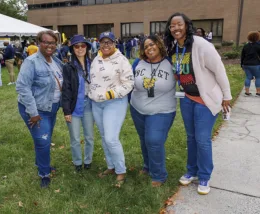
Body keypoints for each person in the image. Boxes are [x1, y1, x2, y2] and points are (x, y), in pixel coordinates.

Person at [164, 12, 232, 195]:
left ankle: (204, 175)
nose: (176, 28)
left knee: (202, 139)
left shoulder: (201, 45)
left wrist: (227, 95)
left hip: (206, 99)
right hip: (187, 98)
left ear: (187, 25)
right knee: (191, 137)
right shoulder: (173, 47)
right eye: (172, 26)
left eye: (179, 24)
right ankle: (191, 171)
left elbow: (219, 70)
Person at [16, 30, 63, 188]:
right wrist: (33, 113)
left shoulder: (56, 60)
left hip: (52, 108)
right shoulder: (31, 61)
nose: (50, 46)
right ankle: (44, 173)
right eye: (46, 42)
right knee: (43, 141)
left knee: (43, 139)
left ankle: (40, 164)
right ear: (38, 43)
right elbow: (22, 87)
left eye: (52, 43)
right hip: (36, 110)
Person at [88, 32, 134, 187]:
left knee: (111, 138)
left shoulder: (122, 60)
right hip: (96, 104)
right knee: (103, 136)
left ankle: (121, 171)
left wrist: (110, 94)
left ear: (115, 43)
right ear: (99, 43)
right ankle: (111, 166)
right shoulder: (96, 58)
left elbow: (128, 84)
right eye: (103, 42)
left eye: (109, 42)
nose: (106, 45)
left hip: (114, 102)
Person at [130, 35, 176, 187]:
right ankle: (148, 165)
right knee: (144, 139)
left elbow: (186, 78)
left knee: (154, 140)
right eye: (145, 46)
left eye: (152, 44)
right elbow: (129, 81)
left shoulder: (170, 62)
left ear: (158, 44)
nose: (149, 48)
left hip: (162, 109)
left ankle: (159, 175)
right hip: (138, 108)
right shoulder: (138, 63)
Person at [62, 35, 94, 172]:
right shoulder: (68, 67)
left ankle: (88, 160)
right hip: (75, 105)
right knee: (75, 137)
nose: (80, 48)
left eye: (83, 45)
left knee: (89, 136)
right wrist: (67, 111)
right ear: (72, 49)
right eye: (76, 46)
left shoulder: (94, 64)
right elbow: (66, 89)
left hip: (89, 105)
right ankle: (77, 162)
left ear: (87, 47)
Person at [240, 31, 260, 97]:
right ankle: (258, 92)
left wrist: (241, 64)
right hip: (256, 64)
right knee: (258, 77)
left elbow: (242, 56)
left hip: (246, 64)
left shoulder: (245, 46)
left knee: (248, 77)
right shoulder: (258, 46)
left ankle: (247, 92)